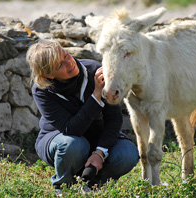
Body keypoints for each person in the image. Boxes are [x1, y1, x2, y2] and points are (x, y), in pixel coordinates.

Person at [26, 39, 139, 193]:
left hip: (96, 136)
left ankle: (93, 185)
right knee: (74, 145)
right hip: (60, 138)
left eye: (66, 55)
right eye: (60, 65)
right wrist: (96, 96)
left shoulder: (95, 71)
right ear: (48, 74)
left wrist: (100, 152)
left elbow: (114, 118)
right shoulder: (42, 90)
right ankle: (64, 188)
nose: (70, 63)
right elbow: (71, 129)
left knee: (128, 154)